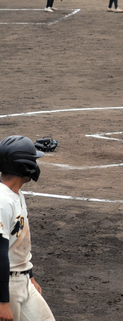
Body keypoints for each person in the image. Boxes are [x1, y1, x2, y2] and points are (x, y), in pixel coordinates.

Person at [0, 135, 55, 320]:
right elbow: (0, 252)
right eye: (33, 160)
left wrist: (29, 275)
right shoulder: (2, 202)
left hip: (23, 280)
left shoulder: (17, 195)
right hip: (6, 286)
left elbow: (18, 246)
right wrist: (3, 302)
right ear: (23, 166)